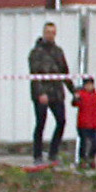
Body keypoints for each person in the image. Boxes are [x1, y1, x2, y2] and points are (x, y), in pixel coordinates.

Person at [27, 22, 70, 167]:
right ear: (43, 33)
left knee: (61, 121)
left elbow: (64, 72)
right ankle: (37, 155)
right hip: (42, 94)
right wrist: (40, 93)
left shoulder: (58, 51)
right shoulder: (36, 52)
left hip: (56, 93)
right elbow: (34, 75)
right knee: (41, 123)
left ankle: (53, 153)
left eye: (53, 32)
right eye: (48, 32)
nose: (50, 35)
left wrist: (74, 91)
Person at [72, 79, 96, 168]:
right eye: (87, 85)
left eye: (91, 85)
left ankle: (91, 158)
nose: (89, 87)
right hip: (82, 124)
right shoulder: (81, 95)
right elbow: (75, 104)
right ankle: (82, 160)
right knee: (84, 144)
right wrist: (75, 98)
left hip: (93, 124)